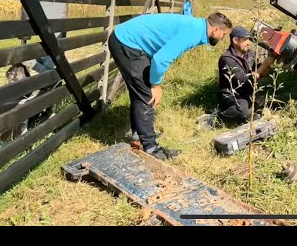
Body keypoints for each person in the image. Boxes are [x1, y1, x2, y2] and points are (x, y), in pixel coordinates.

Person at [108, 11, 232, 159]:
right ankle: (151, 148)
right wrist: (156, 85)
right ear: (215, 30)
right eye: (223, 34)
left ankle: (139, 134)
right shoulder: (192, 32)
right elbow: (161, 59)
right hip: (126, 43)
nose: (223, 38)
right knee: (146, 95)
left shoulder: (196, 28)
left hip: (130, 41)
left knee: (141, 91)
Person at [217, 26, 277, 123]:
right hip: (232, 95)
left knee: (272, 100)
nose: (248, 43)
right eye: (245, 40)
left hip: (248, 93)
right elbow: (244, 81)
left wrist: (270, 60)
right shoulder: (227, 59)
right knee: (243, 110)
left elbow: (262, 73)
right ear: (235, 40)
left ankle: (248, 115)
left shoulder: (250, 54)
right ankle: (217, 117)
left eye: (249, 39)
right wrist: (265, 64)